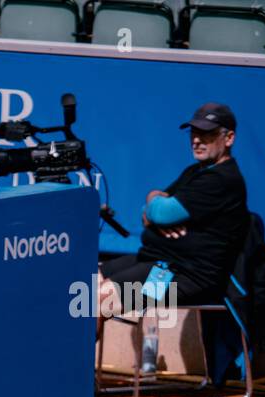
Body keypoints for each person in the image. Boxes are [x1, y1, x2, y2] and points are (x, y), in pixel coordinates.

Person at [98, 103, 249, 326]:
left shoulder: (222, 179)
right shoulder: (195, 172)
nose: (197, 140)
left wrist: (156, 207)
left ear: (229, 138)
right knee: (87, 283)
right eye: (194, 133)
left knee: (98, 299)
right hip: (159, 262)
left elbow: (160, 213)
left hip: (184, 276)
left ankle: (70, 360)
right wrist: (153, 200)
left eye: (207, 133)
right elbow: (149, 213)